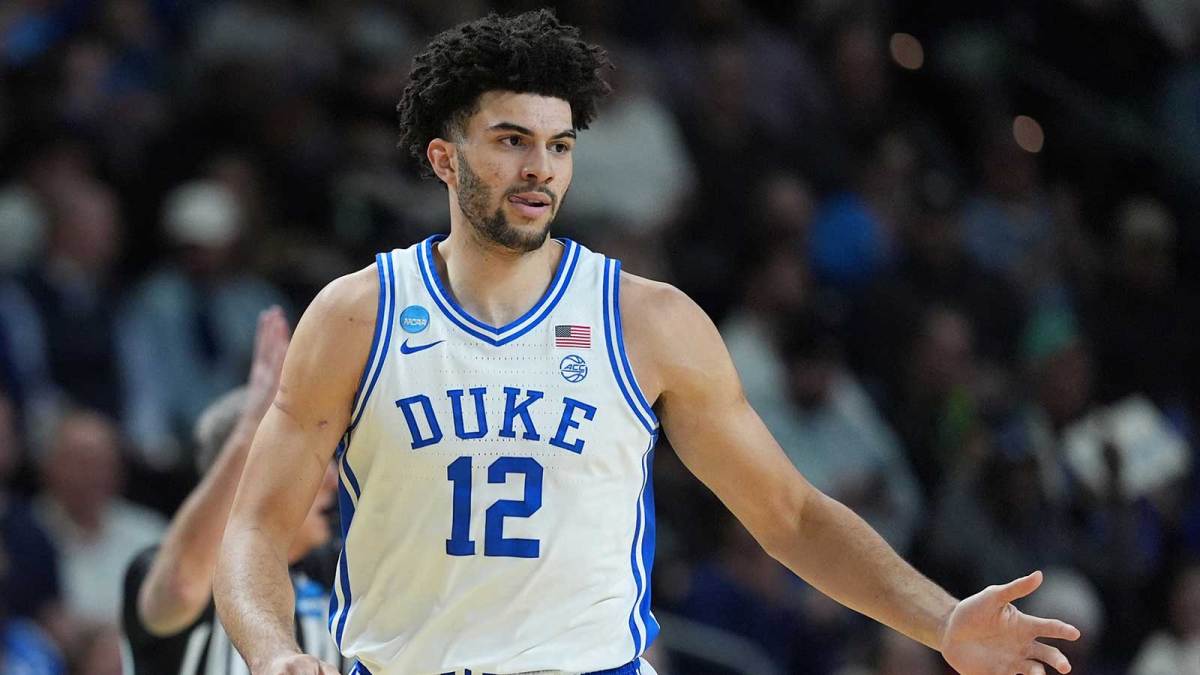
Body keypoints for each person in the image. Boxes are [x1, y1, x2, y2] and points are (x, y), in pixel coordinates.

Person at [214, 10, 1081, 675]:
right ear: (445, 159)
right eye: (511, 141)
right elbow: (252, 528)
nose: (540, 169)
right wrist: (274, 652)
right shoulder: (357, 313)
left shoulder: (648, 321)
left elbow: (789, 514)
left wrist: (940, 621)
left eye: (557, 145)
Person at [122, 307, 343, 674]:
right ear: (249, 477)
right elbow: (178, 590)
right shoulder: (160, 567)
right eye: (313, 465)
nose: (331, 480)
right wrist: (256, 422)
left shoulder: (334, 568)